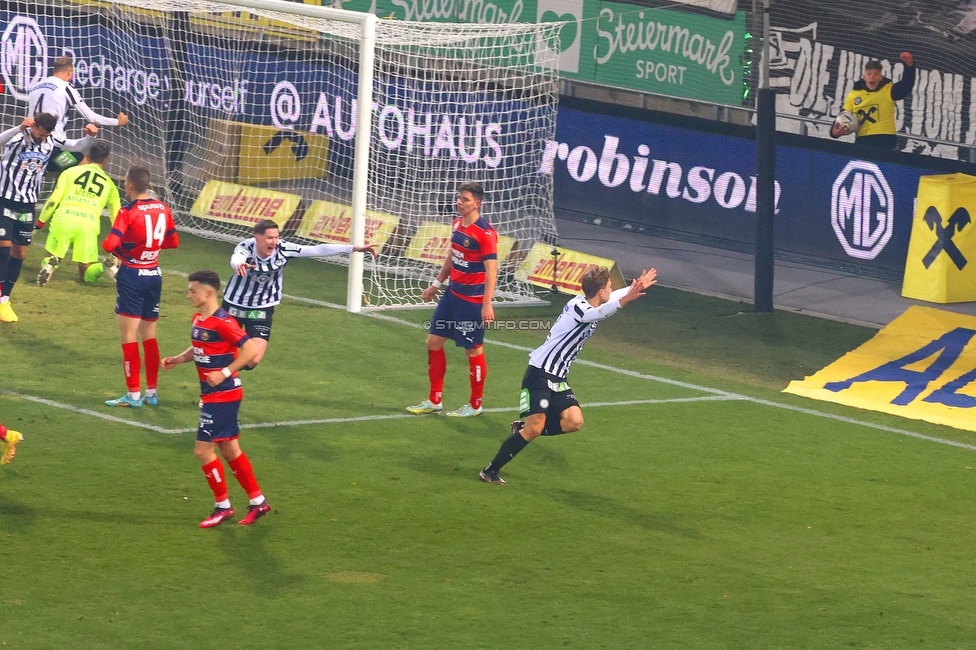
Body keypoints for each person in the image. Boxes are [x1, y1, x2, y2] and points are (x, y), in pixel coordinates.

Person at [479, 265, 658, 485]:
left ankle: (521, 429)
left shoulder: (591, 302)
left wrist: (633, 289)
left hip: (558, 377)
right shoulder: (578, 307)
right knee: (535, 428)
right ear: (600, 292)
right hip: (540, 373)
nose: (612, 289)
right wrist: (626, 298)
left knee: (574, 421)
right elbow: (598, 313)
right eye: (610, 286)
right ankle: (490, 470)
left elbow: (610, 301)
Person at [161, 270, 270, 528]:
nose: (188, 295)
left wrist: (223, 373)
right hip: (214, 394)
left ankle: (223, 506)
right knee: (229, 449)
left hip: (224, 394)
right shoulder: (199, 319)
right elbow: (198, 348)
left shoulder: (223, 321)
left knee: (202, 450)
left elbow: (250, 350)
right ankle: (258, 502)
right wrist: (178, 358)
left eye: (192, 291)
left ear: (208, 292)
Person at [222, 219, 376, 370]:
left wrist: (353, 248)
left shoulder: (284, 249)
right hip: (234, 304)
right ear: (257, 237)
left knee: (252, 360)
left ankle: (223, 374)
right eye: (270, 238)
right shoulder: (246, 247)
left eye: (276, 237)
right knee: (219, 351)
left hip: (262, 307)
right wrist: (238, 264)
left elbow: (317, 250)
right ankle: (219, 381)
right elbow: (236, 257)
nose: (274, 242)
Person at [407, 182, 498, 417]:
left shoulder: (485, 233)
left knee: (473, 350)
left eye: (465, 199)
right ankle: (434, 400)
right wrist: (436, 285)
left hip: (472, 301)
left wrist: (487, 303)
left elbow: (492, 270)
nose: (460, 202)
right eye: (459, 198)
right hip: (451, 295)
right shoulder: (457, 224)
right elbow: (453, 254)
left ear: (477, 203)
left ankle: (475, 405)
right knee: (433, 342)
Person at [0, 113, 97, 323]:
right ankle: (1, 300)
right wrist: (18, 128)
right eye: (41, 133)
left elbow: (75, 146)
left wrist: (90, 138)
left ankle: (6, 297)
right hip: (4, 199)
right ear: (33, 126)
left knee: (20, 252)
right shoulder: (19, 138)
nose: (44, 138)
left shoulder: (51, 140)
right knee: (4, 247)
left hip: (27, 204)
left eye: (47, 135)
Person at [101, 166, 179, 407]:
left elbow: (109, 244)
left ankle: (133, 394)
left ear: (130, 185)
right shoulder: (163, 208)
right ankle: (151, 393)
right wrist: (149, 251)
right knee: (150, 335)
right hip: (154, 273)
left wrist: (129, 251)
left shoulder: (127, 211)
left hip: (132, 275)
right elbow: (173, 241)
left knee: (128, 334)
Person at [35, 140, 122, 286]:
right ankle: (104, 266)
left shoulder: (69, 172)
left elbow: (53, 200)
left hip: (64, 216)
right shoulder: (110, 184)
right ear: (106, 159)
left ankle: (50, 264)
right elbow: (116, 216)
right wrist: (118, 242)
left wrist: (39, 223)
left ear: (87, 156)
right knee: (86, 275)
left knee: (52, 254)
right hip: (88, 222)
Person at [28, 56, 129, 173]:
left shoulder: (35, 86)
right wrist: (117, 122)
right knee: (87, 163)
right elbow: (91, 117)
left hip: (32, 142)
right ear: (70, 72)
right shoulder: (65, 87)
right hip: (53, 145)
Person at [830, 53, 916, 149]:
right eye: (869, 74)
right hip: (863, 139)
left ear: (881, 77)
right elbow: (844, 114)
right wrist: (834, 133)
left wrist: (909, 66)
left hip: (886, 138)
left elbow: (906, 85)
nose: (872, 77)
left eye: (876, 74)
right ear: (864, 77)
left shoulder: (889, 90)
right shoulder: (854, 94)